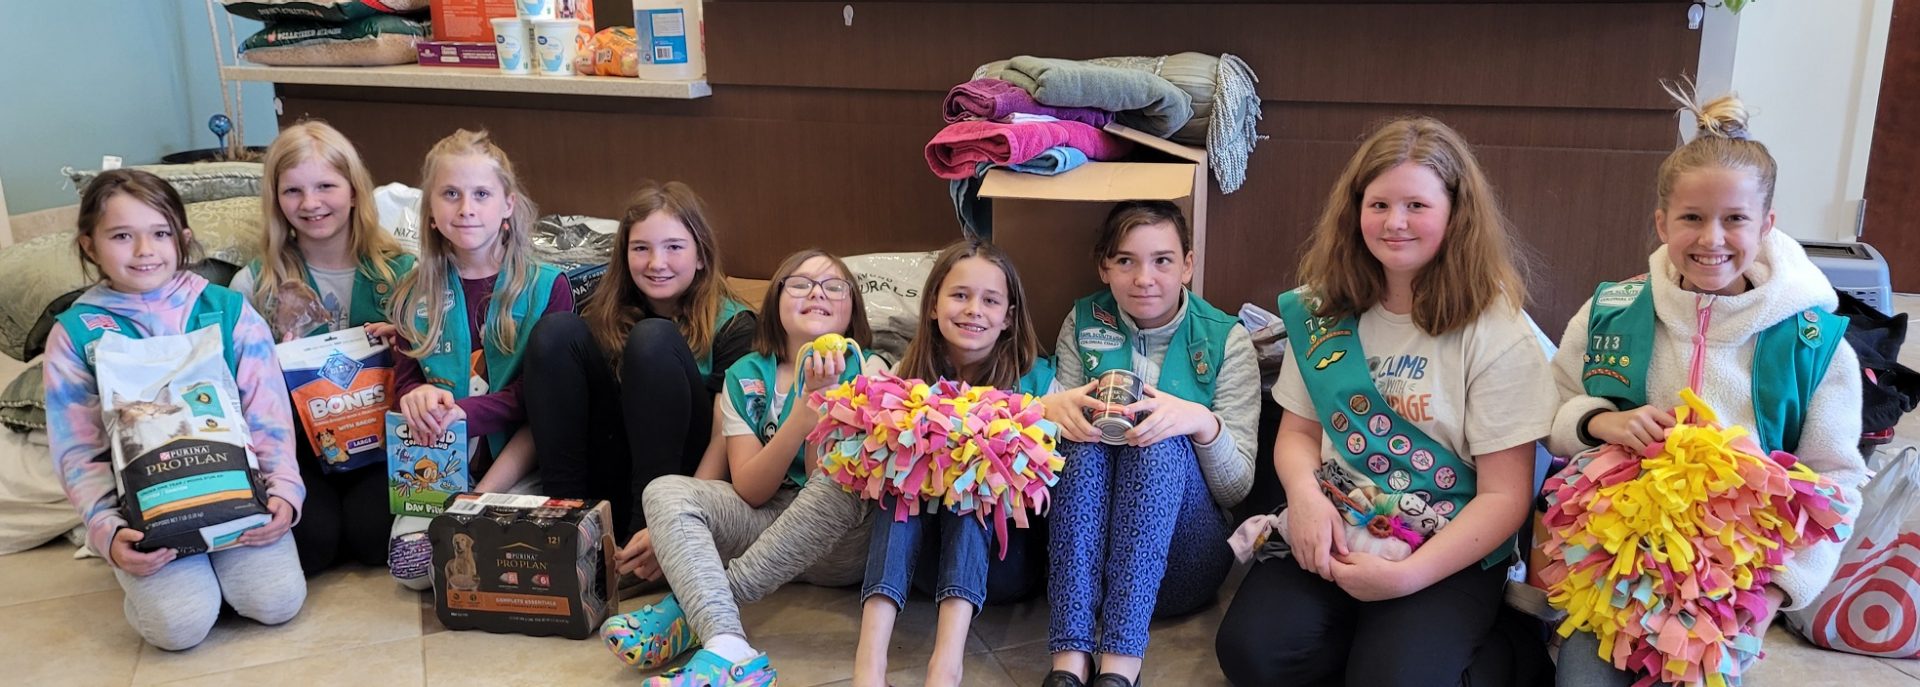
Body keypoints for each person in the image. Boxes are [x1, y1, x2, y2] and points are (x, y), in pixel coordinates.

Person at [1214, 117, 1555, 686]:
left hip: (1447, 543)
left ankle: (1502, 647)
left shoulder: (1498, 332)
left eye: (1417, 206)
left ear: (1455, 213)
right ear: (1356, 212)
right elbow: (1297, 434)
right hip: (1337, 520)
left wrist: (1408, 576)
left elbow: (1505, 496)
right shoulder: (1322, 314)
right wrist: (1303, 497)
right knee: (1251, 654)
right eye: (1379, 205)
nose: (1395, 223)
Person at [1546, 90, 1867, 687]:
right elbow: (1552, 407)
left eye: (1735, 219)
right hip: (1613, 576)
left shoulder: (1813, 342)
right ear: (1662, 222)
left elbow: (1837, 481)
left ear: (1767, 225)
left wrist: (1777, 592)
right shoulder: (1611, 312)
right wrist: (1598, 421)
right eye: (1691, 218)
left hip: (1729, 593)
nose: (1711, 239)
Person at [44, 169, 307, 650]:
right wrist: (106, 530)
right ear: (89, 245)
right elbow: (76, 449)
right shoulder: (76, 332)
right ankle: (169, 586)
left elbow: (268, 411)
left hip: (235, 496)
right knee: (179, 627)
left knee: (277, 602)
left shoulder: (226, 309)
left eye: (160, 233)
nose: (144, 250)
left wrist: (284, 491)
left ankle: (216, 576)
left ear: (182, 238)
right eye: (122, 236)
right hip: (147, 516)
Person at [1037, 201, 1257, 687]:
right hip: (1087, 566)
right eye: (1125, 261)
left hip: (1184, 564)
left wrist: (1200, 422)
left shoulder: (1227, 340)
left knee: (1157, 439)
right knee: (1084, 431)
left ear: (1188, 265)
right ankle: (1070, 659)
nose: (1144, 278)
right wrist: (1051, 415)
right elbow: (1051, 458)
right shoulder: (1081, 322)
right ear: (1104, 267)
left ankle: (1121, 665)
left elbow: (1236, 489)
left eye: (1162, 260)